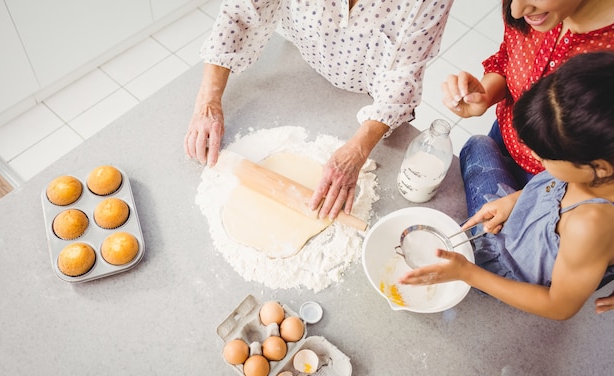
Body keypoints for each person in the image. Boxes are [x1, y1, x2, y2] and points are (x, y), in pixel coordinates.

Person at [184, 0, 453, 220]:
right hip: (303, 59)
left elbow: (404, 74)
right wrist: (208, 101)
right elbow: (239, 13)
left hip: (370, 95)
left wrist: (358, 149)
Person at [399, 52, 614, 320]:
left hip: (506, 270)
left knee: (476, 148)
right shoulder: (594, 169)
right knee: (479, 144)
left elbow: (558, 307)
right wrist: (512, 202)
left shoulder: (590, 226)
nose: (534, 157)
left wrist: (467, 273)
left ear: (598, 167)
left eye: (545, 156)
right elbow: (554, 188)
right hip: (521, 222)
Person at [441, 0, 614, 217]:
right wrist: (484, 95)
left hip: (560, 185)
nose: (516, 10)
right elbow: (507, 58)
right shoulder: (526, 8)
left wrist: (526, 198)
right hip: (504, 138)